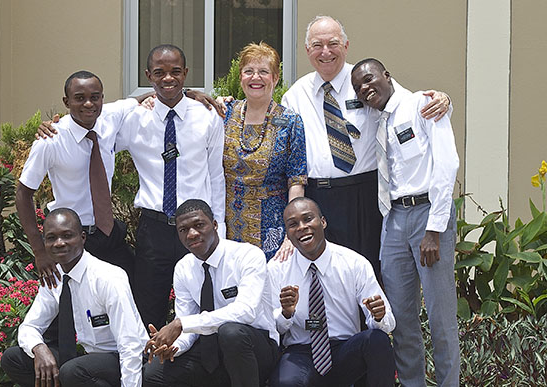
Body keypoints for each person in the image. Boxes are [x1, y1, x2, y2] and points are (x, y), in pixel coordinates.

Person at [281, 15, 451, 278]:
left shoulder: (365, 80)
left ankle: (372, 322)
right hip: (319, 196)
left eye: (333, 43)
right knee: (328, 275)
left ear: (346, 46)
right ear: (307, 51)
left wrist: (443, 100)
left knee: (372, 271)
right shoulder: (295, 95)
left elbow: (403, 104)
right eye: (317, 45)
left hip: (366, 193)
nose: (325, 52)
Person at [351, 58, 460, 386]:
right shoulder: (372, 117)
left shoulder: (422, 105)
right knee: (401, 321)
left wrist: (434, 229)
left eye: (369, 79)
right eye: (358, 87)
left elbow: (447, 164)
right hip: (394, 220)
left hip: (428, 216)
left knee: (441, 320)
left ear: (387, 75)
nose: (365, 89)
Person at [115, 44, 226, 330]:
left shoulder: (207, 116)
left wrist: (219, 226)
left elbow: (216, 175)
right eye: (160, 72)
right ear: (148, 75)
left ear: (186, 73)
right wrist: (56, 126)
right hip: (154, 229)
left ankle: (202, 371)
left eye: (175, 72)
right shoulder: (134, 119)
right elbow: (93, 129)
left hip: (198, 227)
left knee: (204, 307)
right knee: (148, 308)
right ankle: (150, 370)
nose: (168, 78)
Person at [16, 70, 145, 289]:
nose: (88, 104)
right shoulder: (51, 140)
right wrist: (39, 252)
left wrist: (191, 94)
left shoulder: (109, 118)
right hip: (71, 240)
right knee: (71, 309)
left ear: (102, 98)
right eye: (79, 98)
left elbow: (149, 97)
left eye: (95, 97)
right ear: (66, 102)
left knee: (131, 294)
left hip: (109, 234)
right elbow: (23, 193)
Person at [1, 208, 148, 386]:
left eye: (67, 235)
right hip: (86, 359)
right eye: (51, 238)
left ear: (82, 238)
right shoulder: (55, 277)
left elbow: (130, 345)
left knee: (73, 371)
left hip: (123, 359)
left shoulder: (108, 277)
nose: (59, 243)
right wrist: (39, 348)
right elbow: (29, 327)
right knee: (13, 358)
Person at [143, 199, 279, 387]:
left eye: (199, 225)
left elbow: (246, 312)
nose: (192, 234)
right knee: (153, 374)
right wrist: (173, 346)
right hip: (210, 351)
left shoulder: (248, 255)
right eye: (183, 230)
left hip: (255, 349)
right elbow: (188, 329)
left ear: (215, 225)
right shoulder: (183, 268)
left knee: (231, 332)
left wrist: (182, 324)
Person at [267, 197, 396, 387]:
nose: (302, 227)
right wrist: (286, 313)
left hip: (345, 349)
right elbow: (270, 328)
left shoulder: (353, 263)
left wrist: (378, 316)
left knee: (377, 340)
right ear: (288, 233)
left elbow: (388, 324)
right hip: (301, 352)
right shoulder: (277, 268)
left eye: (308, 219)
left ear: (323, 222)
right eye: (293, 224)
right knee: (285, 382)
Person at [221, 42, 307, 261]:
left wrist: (292, 232)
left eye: (263, 72)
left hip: (273, 226)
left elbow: (295, 180)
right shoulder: (225, 114)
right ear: (241, 77)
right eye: (248, 71)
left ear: (275, 78)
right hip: (228, 224)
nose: (255, 77)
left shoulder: (290, 122)